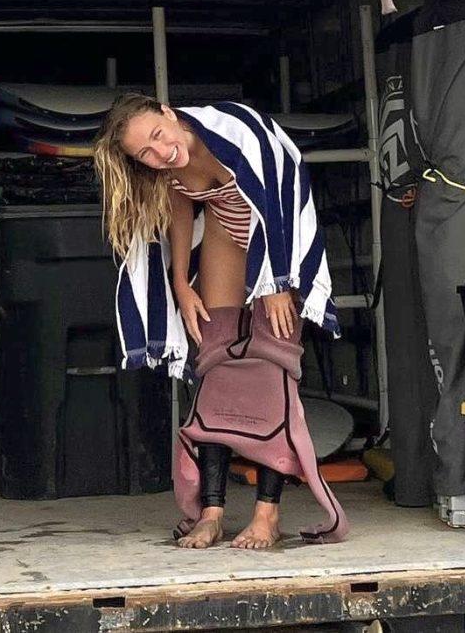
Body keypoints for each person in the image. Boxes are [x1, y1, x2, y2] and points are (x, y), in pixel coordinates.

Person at [94, 93, 349, 549]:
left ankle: (267, 515)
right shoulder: (165, 166)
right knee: (217, 365)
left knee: (273, 367)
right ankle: (211, 512)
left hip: (276, 234)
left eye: (157, 135)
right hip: (225, 231)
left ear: (169, 113)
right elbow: (178, 206)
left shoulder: (231, 129)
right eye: (144, 154)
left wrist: (277, 280)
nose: (160, 152)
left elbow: (279, 189)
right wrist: (180, 283)